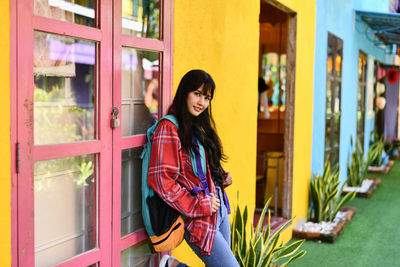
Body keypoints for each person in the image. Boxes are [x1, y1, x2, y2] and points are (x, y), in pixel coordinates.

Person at [148, 69, 239, 267]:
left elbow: (196, 168)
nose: (202, 103)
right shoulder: (169, 128)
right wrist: (197, 205)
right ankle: (173, 266)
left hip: (218, 209)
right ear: (185, 92)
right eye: (197, 94)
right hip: (196, 216)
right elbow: (161, 180)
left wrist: (220, 177)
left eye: (206, 98)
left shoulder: (197, 125)